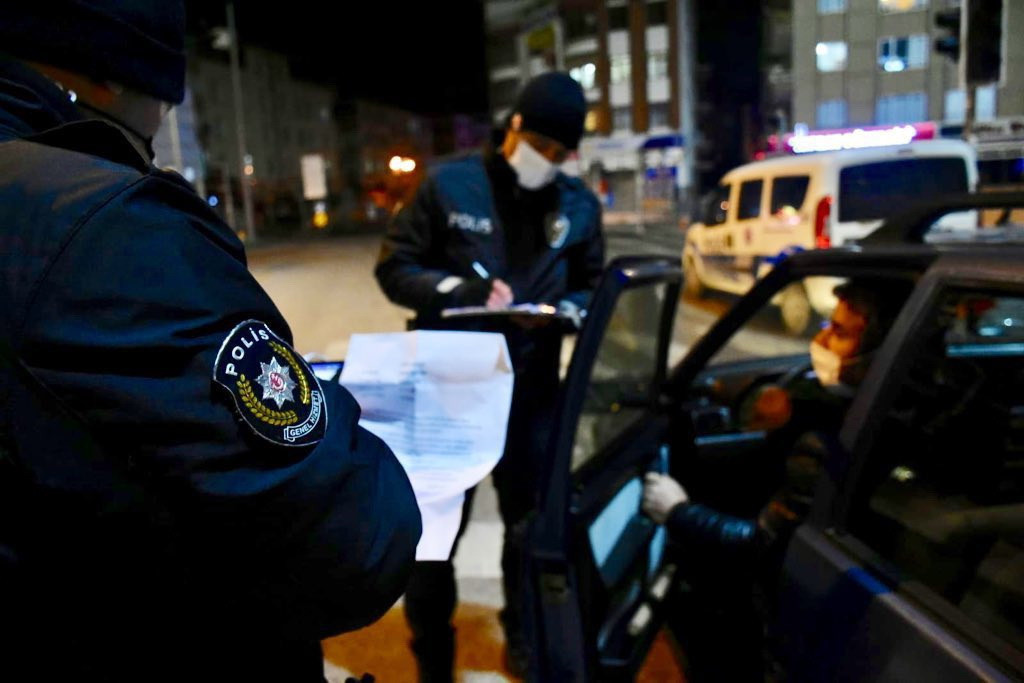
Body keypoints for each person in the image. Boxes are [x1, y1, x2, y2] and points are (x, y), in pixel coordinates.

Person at [0, 3, 420, 681]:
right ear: (111, 72)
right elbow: (357, 540)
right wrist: (330, 411)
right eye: (165, 101)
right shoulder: (102, 225)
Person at [375, 72, 604, 681]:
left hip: (530, 395)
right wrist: (457, 290)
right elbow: (395, 267)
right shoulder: (449, 185)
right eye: (540, 146)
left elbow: (593, 281)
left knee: (526, 529)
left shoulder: (577, 204)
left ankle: (522, 633)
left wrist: (571, 308)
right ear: (515, 127)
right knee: (431, 541)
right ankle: (433, 655)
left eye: (560, 154)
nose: (546, 161)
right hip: (446, 392)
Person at [642, 281, 902, 681]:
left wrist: (677, 511)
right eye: (826, 325)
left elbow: (761, 545)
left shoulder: (829, 442)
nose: (821, 341)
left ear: (881, 353)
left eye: (839, 332)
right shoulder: (873, 413)